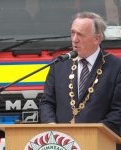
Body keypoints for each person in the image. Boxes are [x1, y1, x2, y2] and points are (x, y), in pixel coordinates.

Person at [39, 11, 121, 149]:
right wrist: (51, 126)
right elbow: (47, 102)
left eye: (80, 35)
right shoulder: (59, 63)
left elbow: (118, 112)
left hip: (100, 145)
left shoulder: (116, 67)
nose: (74, 39)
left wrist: (90, 136)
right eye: (73, 33)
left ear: (97, 38)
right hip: (61, 145)